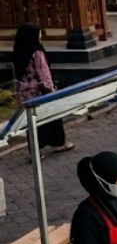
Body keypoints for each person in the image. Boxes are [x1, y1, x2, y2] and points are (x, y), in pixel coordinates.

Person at [12, 23, 72, 152]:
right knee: (53, 117)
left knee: (32, 124)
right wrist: (52, 90)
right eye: (39, 33)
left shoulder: (18, 51)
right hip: (40, 91)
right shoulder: (37, 52)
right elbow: (43, 74)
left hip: (25, 93)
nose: (40, 36)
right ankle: (58, 143)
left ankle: (35, 151)